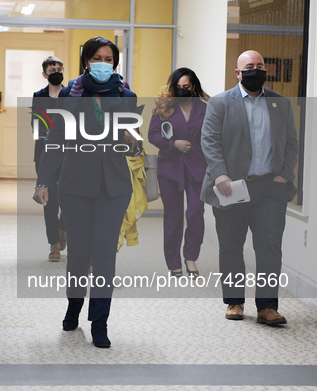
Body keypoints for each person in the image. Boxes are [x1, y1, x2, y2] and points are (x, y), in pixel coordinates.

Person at [33, 37, 141, 348]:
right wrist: (44, 182)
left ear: (115, 63)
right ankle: (74, 305)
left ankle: (99, 322)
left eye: (109, 58)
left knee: (105, 254)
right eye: (97, 57)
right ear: (86, 61)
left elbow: (134, 142)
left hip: (114, 187)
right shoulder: (69, 94)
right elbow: (53, 141)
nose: (103, 63)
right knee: (79, 254)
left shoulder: (127, 95)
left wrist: (131, 139)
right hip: (76, 187)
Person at [201, 50, 298, 325]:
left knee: (269, 247)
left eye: (260, 66)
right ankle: (234, 302)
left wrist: (283, 176)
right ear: (238, 73)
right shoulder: (220, 102)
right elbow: (209, 142)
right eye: (249, 66)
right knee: (231, 246)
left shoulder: (281, 104)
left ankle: (267, 307)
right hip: (232, 187)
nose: (255, 70)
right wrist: (219, 175)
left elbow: (291, 143)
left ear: (266, 70)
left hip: (269, 187)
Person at [148, 68, 209, 278]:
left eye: (186, 87)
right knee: (173, 218)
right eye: (178, 87)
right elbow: (153, 135)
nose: (182, 90)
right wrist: (174, 144)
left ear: (193, 86)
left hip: (197, 168)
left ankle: (190, 256)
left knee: (195, 213)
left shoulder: (205, 108)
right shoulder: (165, 107)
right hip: (170, 170)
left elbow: (212, 136)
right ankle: (174, 262)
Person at [32, 56, 66, 261]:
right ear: (45, 74)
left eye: (59, 69)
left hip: (69, 153)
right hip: (45, 152)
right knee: (49, 199)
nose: (56, 72)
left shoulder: (71, 94)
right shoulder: (39, 96)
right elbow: (36, 123)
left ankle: (63, 228)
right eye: (52, 70)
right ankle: (53, 244)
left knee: (68, 197)